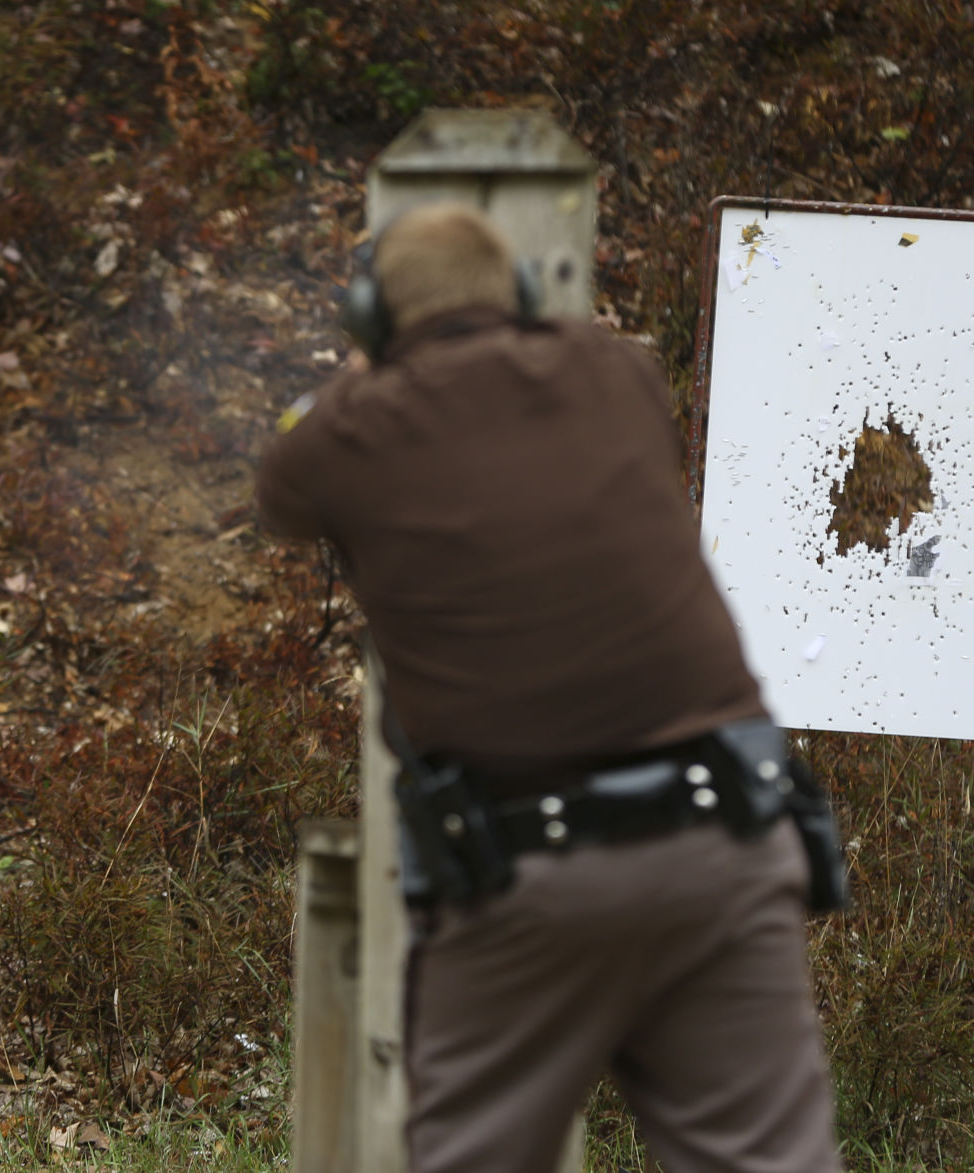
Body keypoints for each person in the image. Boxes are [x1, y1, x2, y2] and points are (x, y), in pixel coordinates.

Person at [254, 202, 842, 1173]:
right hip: (727, 841)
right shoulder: (617, 373)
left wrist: (363, 377)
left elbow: (279, 489)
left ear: (369, 317)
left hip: (525, 872)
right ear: (519, 296)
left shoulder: (350, 430)